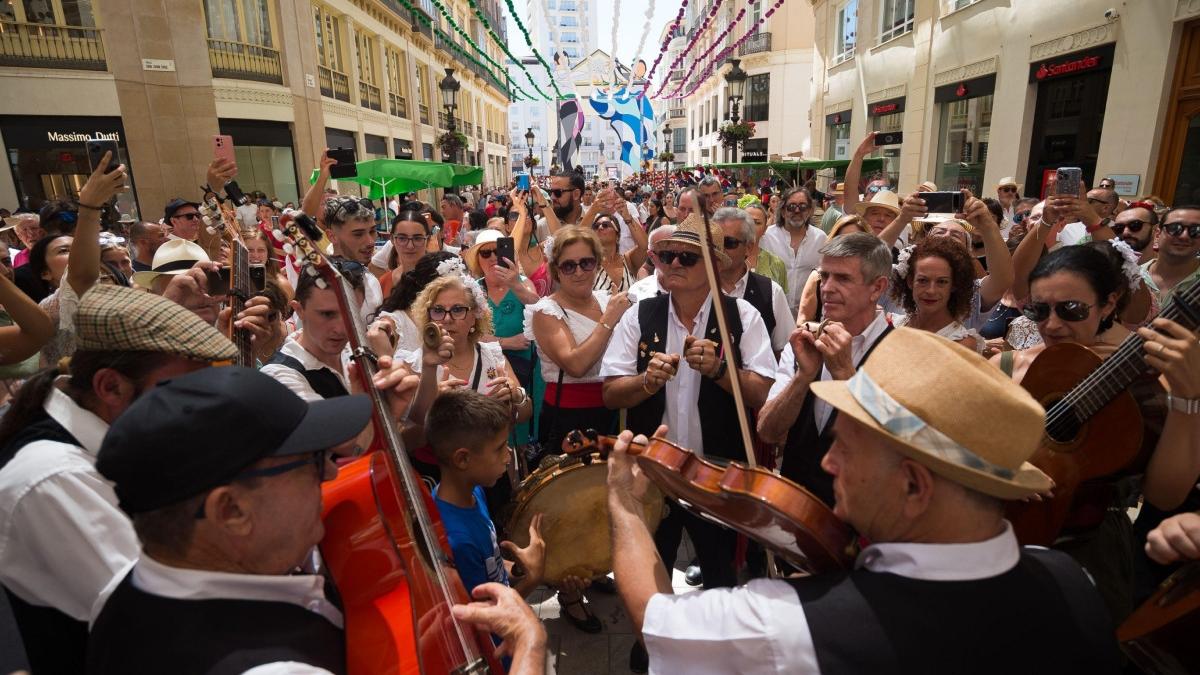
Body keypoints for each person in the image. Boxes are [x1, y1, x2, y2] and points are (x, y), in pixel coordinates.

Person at [607, 328, 1121, 675]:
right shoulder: (1071, 580)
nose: (829, 464)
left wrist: (626, 507)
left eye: (845, 449)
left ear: (914, 486)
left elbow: (655, 620)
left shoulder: (794, 627)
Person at [0, 284, 236, 673]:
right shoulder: (52, 478)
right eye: (181, 392)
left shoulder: (108, 436)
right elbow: (167, 622)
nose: (194, 409)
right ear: (110, 387)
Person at [991, 244, 1200, 623]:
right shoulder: (1003, 366)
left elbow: (1164, 494)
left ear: (1108, 304)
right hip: (992, 537)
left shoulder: (1145, 381)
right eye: (1039, 310)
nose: (1052, 325)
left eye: (1071, 309)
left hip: (1089, 556)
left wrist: (1189, 399)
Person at [600, 213, 775, 592]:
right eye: (667, 256)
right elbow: (611, 393)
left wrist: (720, 371)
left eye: (687, 257)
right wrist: (646, 382)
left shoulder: (743, 317)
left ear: (713, 267)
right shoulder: (639, 315)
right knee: (652, 574)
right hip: (653, 473)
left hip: (716, 475)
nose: (674, 264)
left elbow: (761, 393)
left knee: (720, 577)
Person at [758, 233, 893, 505]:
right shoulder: (804, 343)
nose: (827, 288)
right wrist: (803, 377)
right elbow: (767, 431)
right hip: (793, 509)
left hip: (858, 517)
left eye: (843, 278)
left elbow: (892, 450)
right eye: (824, 276)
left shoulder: (900, 352)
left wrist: (845, 375)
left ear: (877, 288)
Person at [428, 388, 545, 599]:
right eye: (499, 448)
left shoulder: (475, 492)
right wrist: (533, 578)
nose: (508, 456)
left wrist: (521, 568)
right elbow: (485, 613)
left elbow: (492, 566)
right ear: (463, 459)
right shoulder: (457, 541)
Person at [525, 226, 630, 452]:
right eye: (569, 266)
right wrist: (609, 320)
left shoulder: (607, 301)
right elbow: (576, 365)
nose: (579, 272)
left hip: (615, 411)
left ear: (597, 263)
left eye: (586, 263)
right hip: (569, 418)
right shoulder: (547, 311)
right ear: (557, 270)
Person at [713, 207, 792, 353]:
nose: (720, 250)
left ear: (748, 247)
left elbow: (784, 350)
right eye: (714, 243)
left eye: (729, 243)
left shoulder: (772, 292)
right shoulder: (695, 288)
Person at [888, 237, 982, 351]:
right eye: (923, 280)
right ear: (910, 282)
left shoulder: (961, 343)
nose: (931, 291)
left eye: (942, 282)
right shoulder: (892, 324)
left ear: (953, 285)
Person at [758, 187, 829, 314]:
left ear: (810, 211)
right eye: (791, 206)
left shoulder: (821, 238)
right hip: (773, 311)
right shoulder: (766, 237)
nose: (797, 210)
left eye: (802, 206)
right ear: (783, 211)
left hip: (809, 313)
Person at [797, 215, 868, 323]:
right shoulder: (818, 277)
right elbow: (802, 322)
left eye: (856, 241)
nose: (849, 246)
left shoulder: (871, 278)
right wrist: (826, 329)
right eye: (843, 240)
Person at [1140, 205, 1200, 312]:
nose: (1184, 236)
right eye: (1175, 228)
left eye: (1196, 230)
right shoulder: (1132, 278)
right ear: (1157, 235)